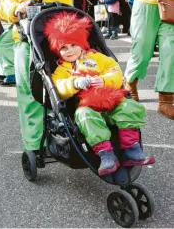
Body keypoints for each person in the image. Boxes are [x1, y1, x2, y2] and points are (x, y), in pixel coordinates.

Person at [0, 0, 128, 154]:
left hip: (62, 43)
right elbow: (4, 0)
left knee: (69, 87)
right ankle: (33, 145)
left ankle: (77, 135)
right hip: (29, 42)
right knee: (31, 94)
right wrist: (15, 8)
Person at [45, 11, 155, 176]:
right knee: (84, 115)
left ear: (82, 43)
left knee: (128, 106)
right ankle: (106, 154)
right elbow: (59, 88)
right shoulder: (61, 69)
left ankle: (131, 149)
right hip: (85, 108)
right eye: (64, 48)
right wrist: (74, 83)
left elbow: (115, 71)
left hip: (110, 102)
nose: (69, 51)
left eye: (73, 45)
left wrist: (104, 80)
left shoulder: (97, 58)